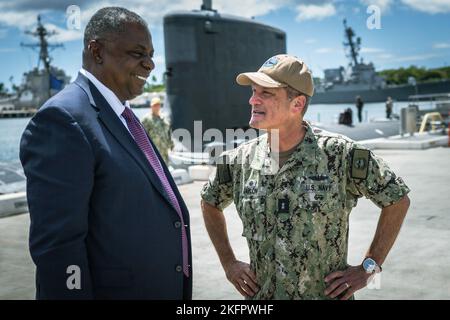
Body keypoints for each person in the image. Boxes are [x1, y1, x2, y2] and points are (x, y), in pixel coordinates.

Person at [200, 54, 410, 300]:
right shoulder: (238, 161)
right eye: (254, 91)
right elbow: (209, 202)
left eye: (265, 93)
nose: (252, 99)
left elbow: (397, 200)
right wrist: (229, 263)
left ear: (297, 104)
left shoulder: (341, 154)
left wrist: (368, 268)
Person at [19, 7, 192, 300]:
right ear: (97, 51)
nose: (149, 64)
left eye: (150, 54)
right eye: (138, 53)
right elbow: (59, 248)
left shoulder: (123, 116)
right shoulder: (63, 120)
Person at [142, 96, 174, 164]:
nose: (156, 107)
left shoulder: (164, 118)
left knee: (165, 168)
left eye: (157, 105)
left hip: (164, 151)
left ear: (160, 106)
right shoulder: (147, 119)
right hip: (153, 152)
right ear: (151, 106)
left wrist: (171, 145)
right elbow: (142, 135)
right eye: (154, 105)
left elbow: (168, 133)